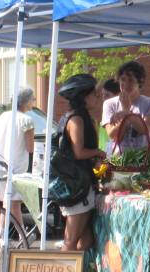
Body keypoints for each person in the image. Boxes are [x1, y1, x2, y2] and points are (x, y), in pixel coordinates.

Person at [57, 74, 106, 254]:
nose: (98, 97)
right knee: (71, 242)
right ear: (82, 96)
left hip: (79, 184)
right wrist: (99, 152)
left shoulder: (75, 116)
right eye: (94, 93)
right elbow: (79, 152)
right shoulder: (76, 119)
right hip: (78, 188)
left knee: (86, 242)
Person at [0, 85, 35, 244]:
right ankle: (9, 237)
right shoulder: (27, 120)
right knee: (12, 202)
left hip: (0, 161)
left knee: (10, 202)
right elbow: (31, 146)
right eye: (33, 99)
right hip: (17, 164)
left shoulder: (3, 116)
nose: (33, 102)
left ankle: (18, 235)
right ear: (26, 101)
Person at [99, 78, 121, 152]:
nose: (103, 98)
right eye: (103, 95)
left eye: (107, 95)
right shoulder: (105, 118)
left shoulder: (126, 116)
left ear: (118, 96)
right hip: (105, 159)